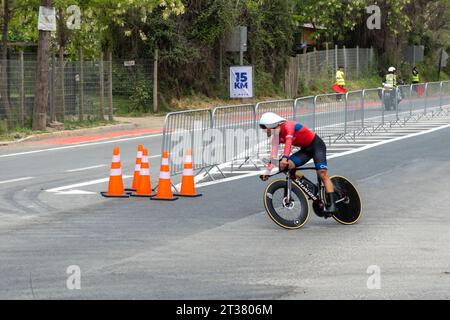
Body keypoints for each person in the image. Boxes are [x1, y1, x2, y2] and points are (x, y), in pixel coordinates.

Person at [259, 112, 337, 214]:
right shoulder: (275, 136)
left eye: (265, 129)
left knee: (322, 173)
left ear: (272, 125)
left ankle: (333, 204)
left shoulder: (289, 126)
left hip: (317, 146)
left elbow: (288, 142)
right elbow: (273, 156)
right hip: (305, 150)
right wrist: (267, 171)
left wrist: (285, 158)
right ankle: (310, 186)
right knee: (286, 167)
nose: (264, 131)